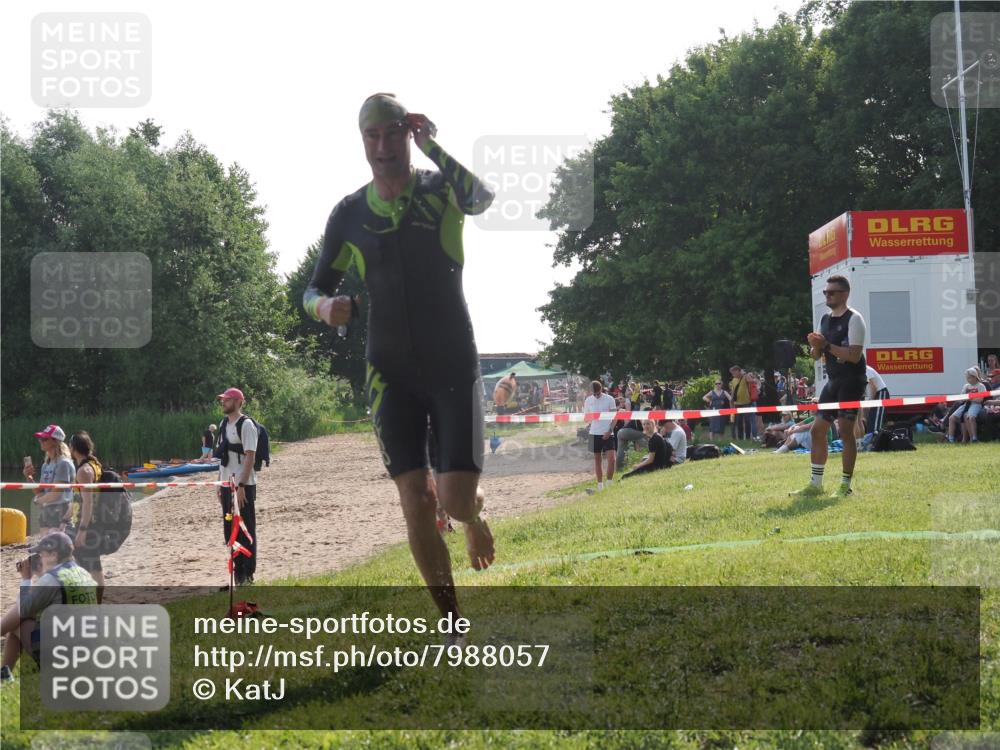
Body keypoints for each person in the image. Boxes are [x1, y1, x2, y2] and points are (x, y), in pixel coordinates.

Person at [302, 93, 495, 629]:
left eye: (393, 133)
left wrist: (434, 144)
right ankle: (453, 625)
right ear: (362, 141)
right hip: (389, 370)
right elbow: (311, 288)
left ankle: (475, 513)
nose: (383, 146)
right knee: (414, 496)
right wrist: (324, 307)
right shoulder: (349, 214)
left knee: (453, 502)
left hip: (452, 363)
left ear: (407, 135)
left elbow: (481, 198)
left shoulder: (440, 191)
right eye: (372, 136)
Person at [793, 274, 867, 498]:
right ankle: (815, 484)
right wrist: (814, 347)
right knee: (817, 431)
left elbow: (854, 355)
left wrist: (825, 344)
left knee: (845, 431)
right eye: (825, 292)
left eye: (831, 292)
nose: (827, 295)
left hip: (852, 381)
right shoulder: (824, 320)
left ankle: (845, 485)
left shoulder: (854, 319)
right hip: (833, 381)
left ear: (844, 294)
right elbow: (817, 356)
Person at [0, 532, 97, 684]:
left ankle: (4, 674)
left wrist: (26, 579)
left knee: (19, 622)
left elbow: (24, 608)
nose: (40, 558)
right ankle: (3, 674)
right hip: (87, 651)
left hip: (63, 656)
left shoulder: (51, 579)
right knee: (26, 617)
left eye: (42, 554)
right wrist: (41, 574)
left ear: (53, 554)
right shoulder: (83, 573)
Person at [216, 387, 258, 585]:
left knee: (245, 529)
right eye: (223, 400)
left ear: (238, 402)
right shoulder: (223, 424)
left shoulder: (247, 425)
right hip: (227, 484)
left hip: (243, 486)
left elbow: (250, 455)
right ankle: (236, 574)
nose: (224, 402)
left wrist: (241, 484)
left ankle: (247, 574)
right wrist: (219, 482)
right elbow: (223, 457)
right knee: (229, 529)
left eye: (227, 400)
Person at [67, 431, 105, 596]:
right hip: (90, 522)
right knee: (91, 564)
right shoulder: (94, 465)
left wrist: (82, 530)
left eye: (70, 445)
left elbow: (87, 502)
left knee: (89, 565)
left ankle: (94, 604)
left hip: (88, 524)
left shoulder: (84, 471)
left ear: (74, 448)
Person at [24, 424, 75, 536]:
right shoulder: (46, 465)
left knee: (57, 548)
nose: (41, 441)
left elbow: (56, 494)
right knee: (47, 548)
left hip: (61, 511)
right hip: (48, 510)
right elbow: (40, 492)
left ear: (55, 441)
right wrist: (29, 478)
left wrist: (38, 501)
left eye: (44, 439)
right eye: (40, 439)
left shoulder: (63, 463)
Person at [584, 380, 618, 490]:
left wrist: (609, 431)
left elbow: (615, 417)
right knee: (597, 460)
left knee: (612, 460)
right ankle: (600, 485)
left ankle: (609, 483)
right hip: (594, 433)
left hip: (608, 432)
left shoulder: (610, 399)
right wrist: (588, 418)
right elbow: (586, 418)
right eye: (594, 394)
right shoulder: (588, 400)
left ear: (602, 389)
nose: (596, 396)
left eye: (598, 393)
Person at [947, 368, 988, 444]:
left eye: (969, 378)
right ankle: (950, 439)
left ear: (975, 377)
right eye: (967, 378)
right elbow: (961, 398)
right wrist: (967, 399)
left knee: (971, 417)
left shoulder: (981, 386)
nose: (968, 380)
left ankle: (974, 438)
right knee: (951, 418)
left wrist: (969, 398)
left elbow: (980, 400)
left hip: (976, 405)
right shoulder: (966, 386)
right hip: (966, 404)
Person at [613, 397, 647, 470]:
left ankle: (619, 468)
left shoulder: (628, 412)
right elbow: (646, 429)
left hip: (621, 432)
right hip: (628, 431)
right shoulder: (643, 417)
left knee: (621, 450)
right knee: (648, 439)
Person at [865, 365, 890, 436]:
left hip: (881, 393)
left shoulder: (866, 369)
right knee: (872, 418)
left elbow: (873, 387)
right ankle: (872, 439)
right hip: (877, 394)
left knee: (876, 420)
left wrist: (871, 400)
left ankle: (875, 439)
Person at [729, 366, 753, 440]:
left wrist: (745, 373)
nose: (733, 374)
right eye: (732, 373)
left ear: (738, 371)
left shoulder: (745, 377)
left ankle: (748, 437)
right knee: (739, 421)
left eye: (734, 372)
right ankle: (740, 438)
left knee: (747, 421)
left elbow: (751, 380)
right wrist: (731, 401)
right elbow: (733, 391)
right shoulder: (733, 380)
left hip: (746, 403)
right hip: (737, 403)